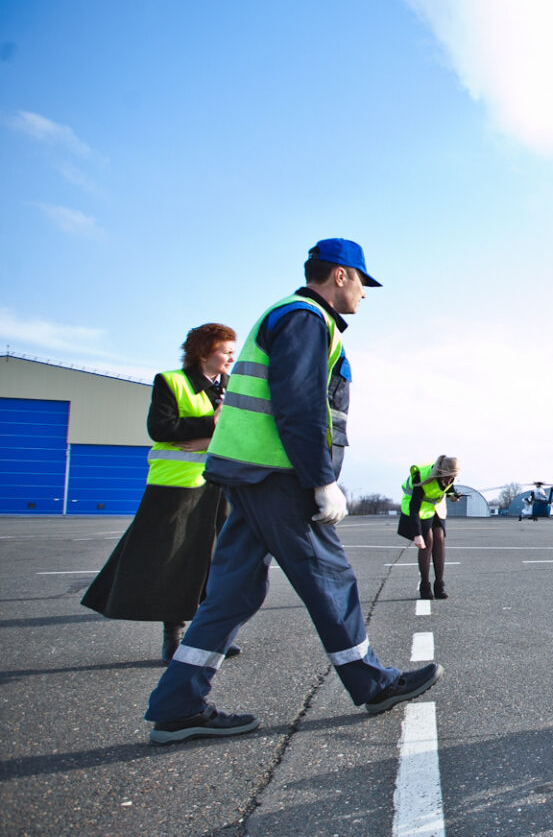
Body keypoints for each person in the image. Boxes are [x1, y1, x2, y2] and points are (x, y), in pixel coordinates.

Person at [143, 238, 442, 744]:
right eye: (363, 282)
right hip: (277, 477)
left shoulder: (287, 316)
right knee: (330, 578)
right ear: (342, 275)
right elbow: (299, 405)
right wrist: (322, 480)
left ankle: (177, 704)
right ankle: (371, 684)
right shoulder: (307, 318)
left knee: (232, 593)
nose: (365, 294)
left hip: (251, 477)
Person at [84, 323, 242, 663]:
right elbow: (160, 428)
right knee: (176, 561)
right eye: (225, 351)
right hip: (178, 486)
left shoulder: (232, 388)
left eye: (233, 351)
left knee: (217, 562)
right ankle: (174, 636)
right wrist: (209, 427)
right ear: (203, 352)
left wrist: (209, 439)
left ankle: (209, 635)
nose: (232, 357)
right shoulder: (171, 381)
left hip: (221, 485)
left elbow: (242, 431)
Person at [399, 455, 461, 599]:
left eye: (453, 477)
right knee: (428, 540)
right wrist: (417, 534)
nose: (450, 480)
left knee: (439, 539)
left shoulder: (449, 477)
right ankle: (424, 585)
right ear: (440, 473)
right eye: (447, 477)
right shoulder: (421, 476)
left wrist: (453, 495)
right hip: (418, 507)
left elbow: (449, 488)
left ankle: (439, 585)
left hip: (435, 507)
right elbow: (414, 507)